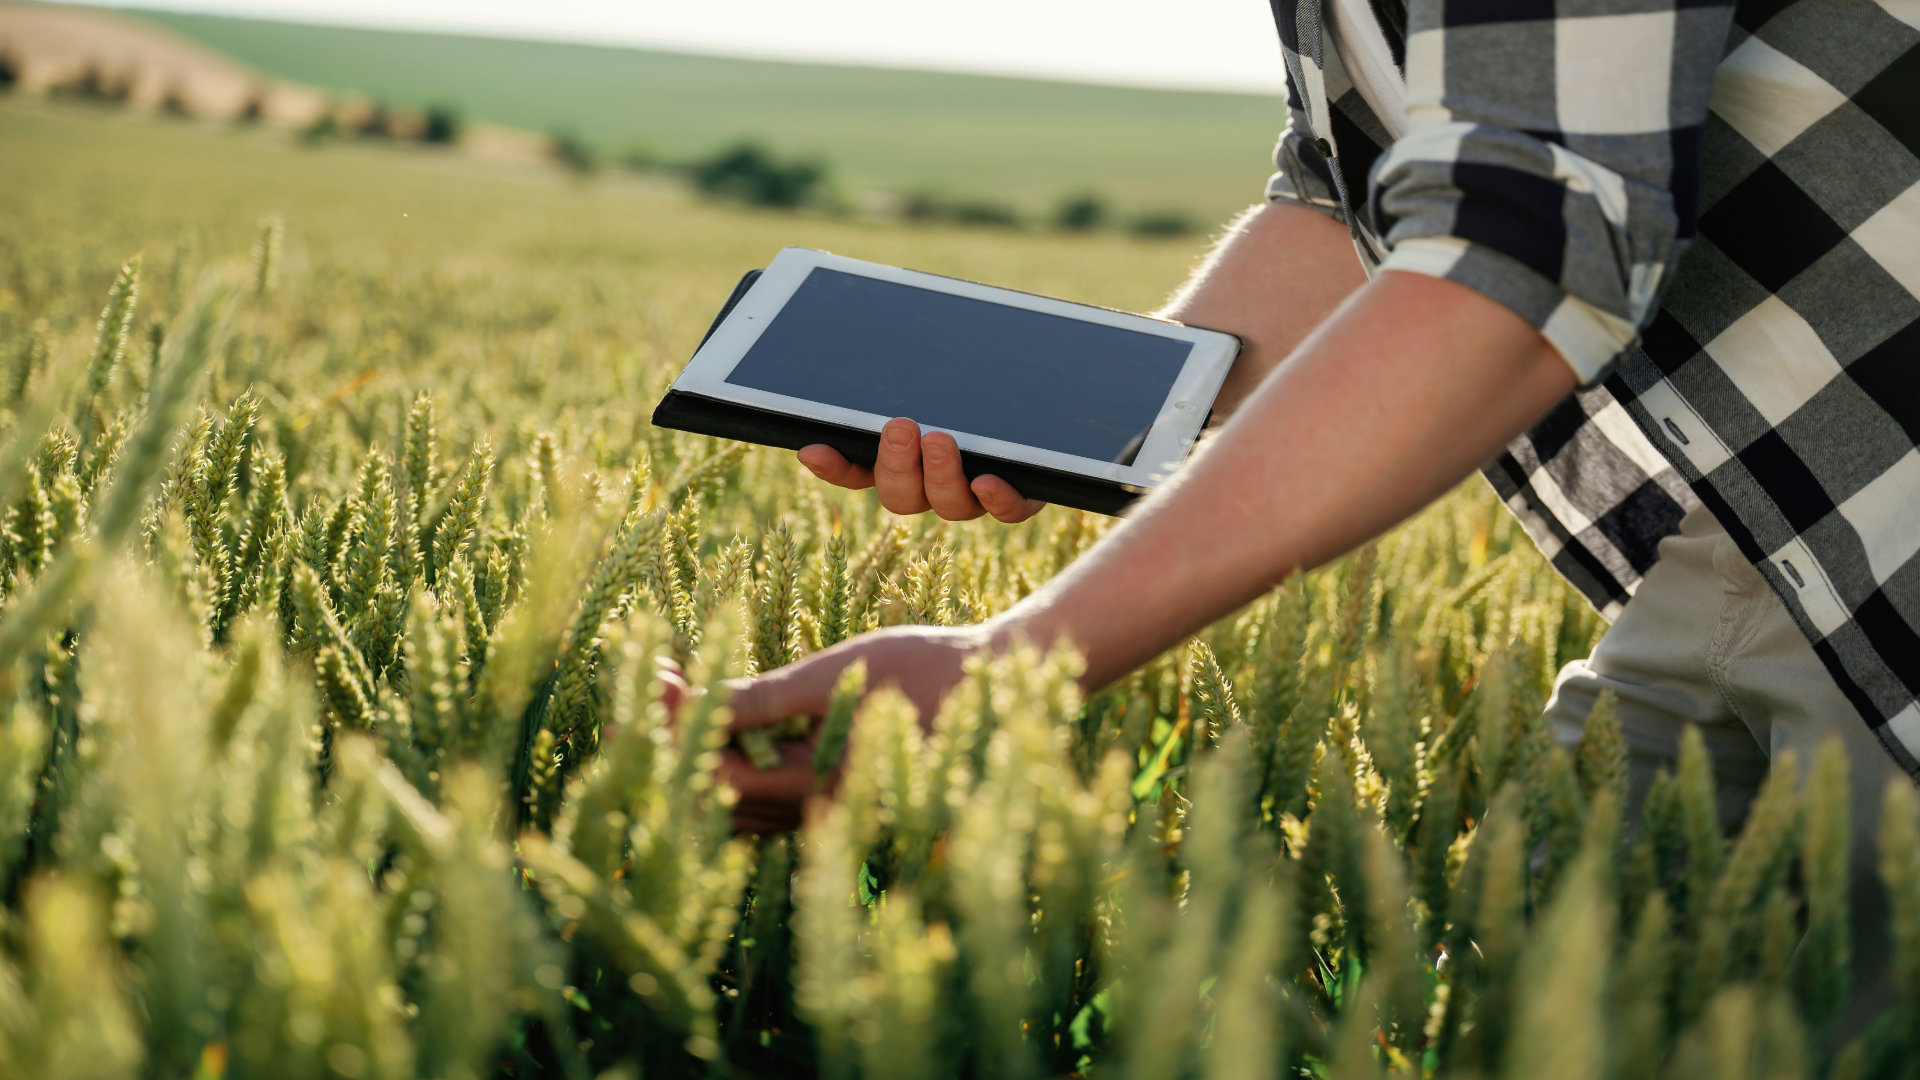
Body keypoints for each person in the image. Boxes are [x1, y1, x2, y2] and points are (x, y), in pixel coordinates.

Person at [719, 0, 1918, 1019]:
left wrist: (1013, 664)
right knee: (1523, 1000)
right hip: (1755, 528)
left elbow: (1531, 244)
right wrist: (1091, 417)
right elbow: (1351, 209)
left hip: (1891, 513)